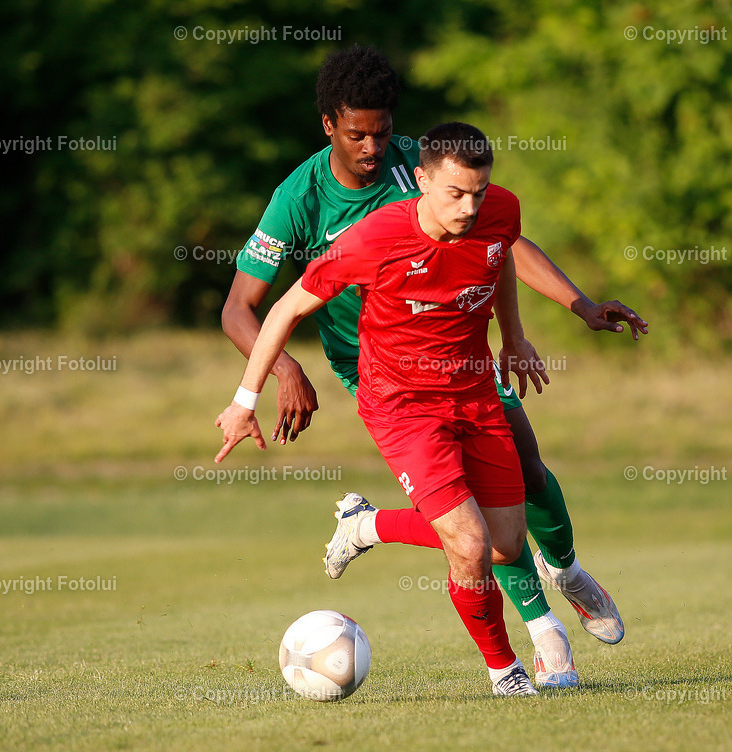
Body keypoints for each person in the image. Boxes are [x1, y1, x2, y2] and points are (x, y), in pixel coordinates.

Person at [221, 45, 648, 688]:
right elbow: (241, 309)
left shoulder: (427, 168)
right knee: (471, 532)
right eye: (357, 133)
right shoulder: (297, 201)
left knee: (527, 468)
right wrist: (283, 372)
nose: (373, 146)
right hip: (381, 373)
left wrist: (570, 307)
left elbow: (498, 245)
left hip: (465, 359)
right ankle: (542, 640)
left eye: (384, 131)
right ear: (328, 126)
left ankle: (564, 571)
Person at [217, 122, 553, 695]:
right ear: (421, 181)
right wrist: (245, 398)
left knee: (505, 545)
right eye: (455, 194)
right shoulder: (374, 238)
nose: (469, 207)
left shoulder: (501, 210)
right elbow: (283, 310)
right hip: (401, 405)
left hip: (472, 391)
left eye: (479, 191)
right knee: (469, 544)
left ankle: (367, 524)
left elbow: (500, 266)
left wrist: (514, 337)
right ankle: (507, 672)